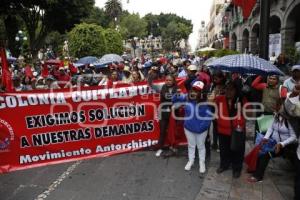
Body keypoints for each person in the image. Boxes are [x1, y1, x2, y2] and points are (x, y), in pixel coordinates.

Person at [172, 81, 212, 173]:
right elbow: (174, 100)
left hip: (201, 130)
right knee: (191, 145)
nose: (194, 92)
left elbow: (208, 118)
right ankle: (191, 161)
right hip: (188, 128)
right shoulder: (186, 97)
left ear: (202, 92)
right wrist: (177, 94)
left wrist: (201, 128)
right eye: (193, 90)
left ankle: (202, 163)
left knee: (201, 146)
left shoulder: (206, 102)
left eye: (197, 91)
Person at [247, 111, 297, 183]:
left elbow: (294, 137)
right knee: (260, 149)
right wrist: (266, 138)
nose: (280, 109)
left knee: (266, 154)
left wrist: (281, 144)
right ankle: (254, 169)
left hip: (285, 146)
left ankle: (258, 176)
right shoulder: (276, 116)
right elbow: (271, 128)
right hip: (273, 142)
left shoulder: (290, 120)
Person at [214, 81, 248, 178]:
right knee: (224, 149)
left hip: (237, 130)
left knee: (237, 150)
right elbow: (212, 105)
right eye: (226, 89)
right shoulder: (220, 98)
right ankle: (224, 165)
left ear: (236, 90)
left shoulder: (242, 100)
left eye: (231, 89)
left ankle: (237, 168)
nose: (228, 91)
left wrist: (241, 109)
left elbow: (249, 114)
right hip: (223, 130)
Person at [152, 74, 178, 157]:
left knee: (172, 131)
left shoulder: (177, 88)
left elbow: (178, 99)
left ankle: (172, 147)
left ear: (173, 81)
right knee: (162, 130)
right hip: (163, 113)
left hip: (173, 113)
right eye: (167, 80)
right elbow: (165, 96)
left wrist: (176, 99)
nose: (168, 82)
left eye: (170, 80)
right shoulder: (162, 87)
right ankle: (160, 145)